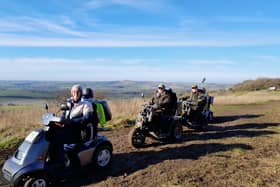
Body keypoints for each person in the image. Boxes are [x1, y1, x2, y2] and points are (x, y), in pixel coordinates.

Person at [48, 84, 94, 169]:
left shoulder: (86, 104)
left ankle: (61, 163)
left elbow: (87, 118)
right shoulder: (69, 103)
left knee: (58, 139)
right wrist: (58, 120)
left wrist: (72, 121)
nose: (75, 94)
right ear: (71, 93)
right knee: (49, 135)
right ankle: (52, 158)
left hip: (79, 131)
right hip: (68, 128)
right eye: (74, 92)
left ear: (81, 93)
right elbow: (64, 115)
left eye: (78, 92)